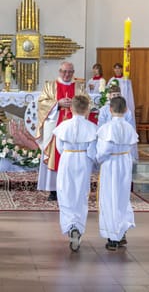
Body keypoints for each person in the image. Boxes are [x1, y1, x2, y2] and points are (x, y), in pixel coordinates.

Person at [36, 61, 86, 201]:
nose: (67, 74)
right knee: (54, 156)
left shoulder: (79, 87)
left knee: (70, 156)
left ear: (73, 72)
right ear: (59, 71)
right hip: (54, 127)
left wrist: (75, 105)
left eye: (70, 72)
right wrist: (57, 104)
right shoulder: (50, 85)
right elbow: (41, 103)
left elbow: (87, 102)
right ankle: (53, 190)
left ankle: (71, 188)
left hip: (73, 129)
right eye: (64, 71)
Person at [53, 95, 97, 252]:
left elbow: (59, 147)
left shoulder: (64, 126)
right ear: (87, 110)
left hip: (67, 158)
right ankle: (77, 226)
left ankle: (70, 225)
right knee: (81, 194)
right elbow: (93, 151)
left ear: (70, 108)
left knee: (65, 193)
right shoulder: (92, 127)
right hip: (83, 160)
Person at [96, 96, 138, 251]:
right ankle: (121, 233)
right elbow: (132, 146)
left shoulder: (107, 128)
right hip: (125, 163)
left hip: (111, 164)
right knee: (122, 198)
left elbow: (103, 151)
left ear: (110, 109)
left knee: (110, 198)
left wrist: (98, 159)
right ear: (126, 110)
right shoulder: (129, 127)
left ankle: (113, 237)